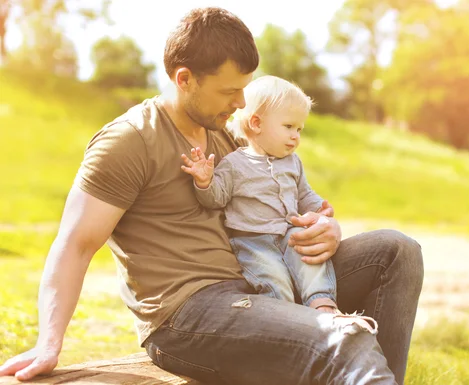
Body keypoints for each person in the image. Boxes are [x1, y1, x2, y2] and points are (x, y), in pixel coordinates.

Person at [0, 7, 423, 385]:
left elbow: (274, 193)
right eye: (228, 92)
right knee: (343, 339)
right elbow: (75, 243)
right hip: (187, 317)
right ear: (184, 79)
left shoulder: (226, 132)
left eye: (245, 89)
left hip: (256, 282)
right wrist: (47, 343)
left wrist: (327, 229)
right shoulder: (129, 141)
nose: (240, 102)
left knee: (395, 251)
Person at [182, 75, 340, 314]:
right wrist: (205, 182)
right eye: (288, 127)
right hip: (253, 241)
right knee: (273, 277)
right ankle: (288, 317)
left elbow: (303, 194)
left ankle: (322, 303)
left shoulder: (292, 162)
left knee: (311, 257)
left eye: (299, 129)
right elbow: (217, 198)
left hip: (289, 233)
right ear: (256, 123)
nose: (296, 135)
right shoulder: (234, 164)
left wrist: (319, 210)